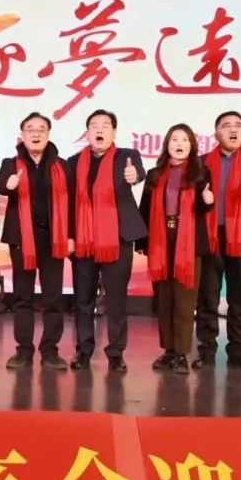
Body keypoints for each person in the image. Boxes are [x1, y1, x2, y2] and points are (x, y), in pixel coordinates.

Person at [67, 109, 146, 371]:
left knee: (116, 299)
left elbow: (138, 172)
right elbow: (68, 202)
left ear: (114, 132)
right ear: (87, 132)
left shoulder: (127, 157)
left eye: (105, 125)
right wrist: (69, 236)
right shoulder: (73, 162)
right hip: (84, 239)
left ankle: (116, 352)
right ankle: (83, 350)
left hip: (118, 238)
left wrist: (134, 176)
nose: (99, 129)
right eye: (94, 125)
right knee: (83, 299)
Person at [193, 110, 241, 371]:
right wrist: (202, 199)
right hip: (211, 235)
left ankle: (238, 352)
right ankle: (206, 351)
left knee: (240, 296)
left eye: (238, 125)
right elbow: (193, 197)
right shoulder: (202, 161)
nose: (233, 129)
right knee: (208, 295)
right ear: (216, 133)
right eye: (226, 125)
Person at [0, 112, 70, 370]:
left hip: (53, 239)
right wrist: (8, 184)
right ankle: (23, 350)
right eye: (30, 129)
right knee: (22, 296)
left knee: (53, 298)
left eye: (41, 129)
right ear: (22, 135)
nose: (36, 133)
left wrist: (70, 236)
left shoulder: (62, 166)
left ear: (48, 135)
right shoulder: (10, 163)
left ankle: (50, 350)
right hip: (21, 239)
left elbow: (72, 203)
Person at [138, 123, 213, 375]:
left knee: (184, 300)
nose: (179, 144)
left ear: (192, 145)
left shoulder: (201, 173)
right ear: (167, 145)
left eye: (184, 140)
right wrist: (142, 242)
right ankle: (168, 351)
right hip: (161, 241)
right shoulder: (154, 174)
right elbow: (145, 208)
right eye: (174, 139)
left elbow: (203, 210)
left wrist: (208, 202)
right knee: (164, 300)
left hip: (188, 243)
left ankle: (181, 353)